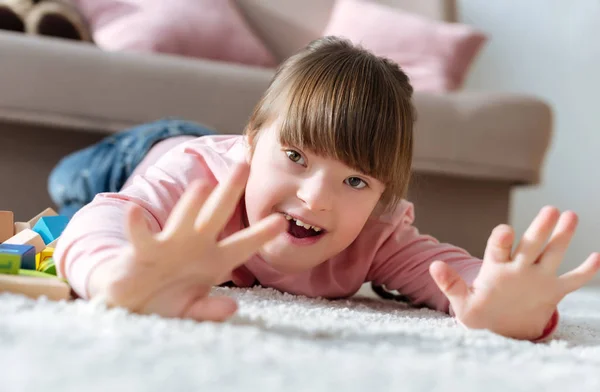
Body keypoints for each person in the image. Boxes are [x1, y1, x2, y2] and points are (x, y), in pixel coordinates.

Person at [52, 36, 599, 342]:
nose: (316, 199)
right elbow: (103, 221)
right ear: (252, 141)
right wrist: (112, 276)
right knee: (70, 191)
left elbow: (457, 277)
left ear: (383, 196)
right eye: (295, 157)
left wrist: (506, 306)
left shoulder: (378, 232)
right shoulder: (196, 178)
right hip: (151, 148)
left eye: (355, 180)